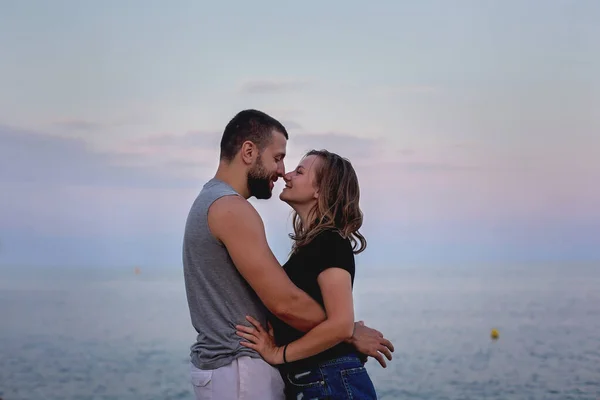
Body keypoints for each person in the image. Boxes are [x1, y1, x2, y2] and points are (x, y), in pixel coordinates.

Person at [182, 109, 394, 400]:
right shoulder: (230, 208)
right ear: (248, 151)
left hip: (251, 370)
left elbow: (289, 303)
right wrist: (346, 331)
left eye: (294, 166)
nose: (283, 171)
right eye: (278, 157)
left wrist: (340, 326)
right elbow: (285, 303)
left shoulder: (215, 203)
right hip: (239, 370)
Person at [235, 149, 380, 399]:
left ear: (320, 190)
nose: (286, 175)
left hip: (329, 382)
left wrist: (278, 354)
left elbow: (341, 324)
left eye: (299, 171)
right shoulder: (313, 245)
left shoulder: (330, 242)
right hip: (319, 381)